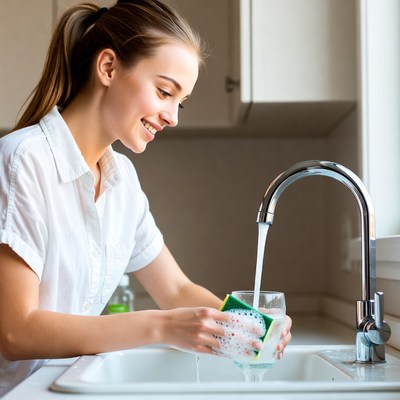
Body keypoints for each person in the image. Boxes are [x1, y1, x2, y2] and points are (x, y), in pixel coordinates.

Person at [0, 0, 292, 395]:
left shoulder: (123, 182)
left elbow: (175, 290)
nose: (173, 116)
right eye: (164, 91)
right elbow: (16, 332)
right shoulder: (22, 160)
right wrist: (162, 326)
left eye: (180, 101)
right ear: (108, 68)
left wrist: (249, 327)